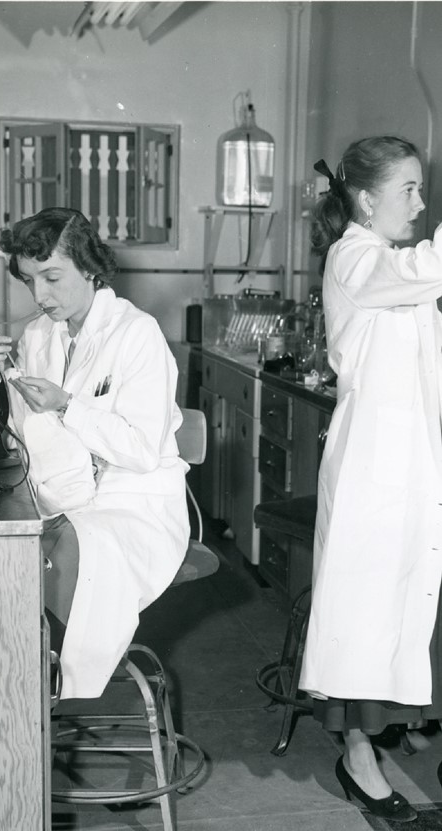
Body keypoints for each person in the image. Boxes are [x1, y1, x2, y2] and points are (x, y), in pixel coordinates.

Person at [0, 207, 190, 700]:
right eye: (30, 281)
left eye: (52, 277)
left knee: (67, 551)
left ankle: (41, 699)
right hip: (66, 492)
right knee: (7, 552)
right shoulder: (37, 335)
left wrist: (68, 405)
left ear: (89, 267)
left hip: (133, 500)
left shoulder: (137, 333)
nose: (40, 296)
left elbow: (139, 449)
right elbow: (19, 434)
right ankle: (22, 690)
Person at [298, 136, 442, 823]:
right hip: (372, 469)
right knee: (363, 611)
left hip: (412, 458)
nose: (418, 202)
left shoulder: (385, 261)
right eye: (408, 189)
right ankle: (357, 752)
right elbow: (425, 269)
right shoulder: (355, 256)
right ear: (364, 198)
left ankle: (394, 720)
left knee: (403, 598)